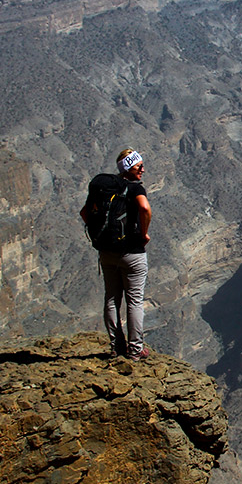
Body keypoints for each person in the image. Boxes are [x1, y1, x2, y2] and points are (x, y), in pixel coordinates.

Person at [80, 148, 152, 358]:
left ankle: (116, 346)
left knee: (111, 298)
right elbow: (145, 208)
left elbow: (85, 213)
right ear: (129, 168)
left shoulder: (104, 188)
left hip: (106, 251)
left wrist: (99, 235)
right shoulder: (134, 188)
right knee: (134, 301)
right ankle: (135, 349)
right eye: (139, 167)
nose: (143, 170)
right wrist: (144, 233)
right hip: (132, 253)